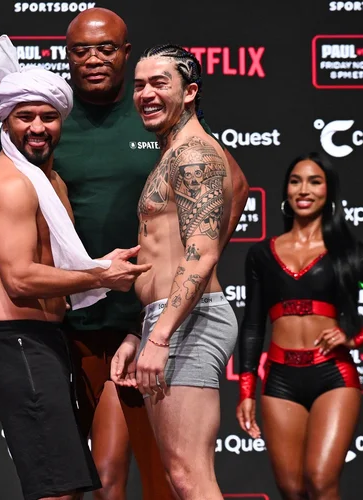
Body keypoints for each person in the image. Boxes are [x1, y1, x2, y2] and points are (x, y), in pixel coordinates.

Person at [0, 8, 248, 499]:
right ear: (66, 57)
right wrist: (30, 271)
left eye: (106, 48)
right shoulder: (46, 118)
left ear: (126, 53)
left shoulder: (157, 112)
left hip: (150, 319)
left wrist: (190, 264)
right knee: (85, 478)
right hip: (71, 328)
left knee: (170, 476)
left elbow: (230, 185)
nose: (93, 59)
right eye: (80, 50)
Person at [0, 35, 153, 500]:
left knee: (67, 487)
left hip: (46, 342)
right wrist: (99, 277)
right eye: (25, 117)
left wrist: (98, 265)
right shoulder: (11, 184)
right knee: (56, 491)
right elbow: (18, 278)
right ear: (5, 122)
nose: (38, 127)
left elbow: (55, 260)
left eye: (49, 117)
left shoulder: (48, 180)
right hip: (19, 343)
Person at [235, 153, 363, 500]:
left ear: (329, 192)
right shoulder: (261, 254)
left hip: (333, 375)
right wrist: (245, 390)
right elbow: (253, 324)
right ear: (285, 190)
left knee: (320, 480)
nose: (304, 189)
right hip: (280, 379)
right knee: (291, 488)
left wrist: (357, 337)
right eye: (296, 180)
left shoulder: (348, 252)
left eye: (315, 181)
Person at [110, 45, 239, 500]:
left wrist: (160, 336)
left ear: (190, 92)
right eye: (140, 84)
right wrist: (138, 332)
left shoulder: (195, 155)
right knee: (179, 476)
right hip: (167, 317)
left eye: (159, 83)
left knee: (189, 476)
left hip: (189, 320)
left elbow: (201, 255)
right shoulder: (172, 154)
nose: (145, 93)